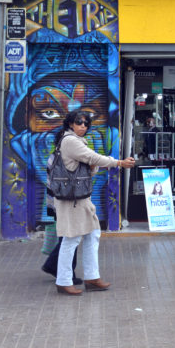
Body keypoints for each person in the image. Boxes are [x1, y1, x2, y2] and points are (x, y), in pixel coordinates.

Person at [52, 110, 135, 295]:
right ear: (70, 124)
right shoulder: (70, 141)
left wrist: (95, 165)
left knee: (93, 233)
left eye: (86, 123)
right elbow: (93, 158)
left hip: (80, 197)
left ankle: (92, 277)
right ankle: (63, 281)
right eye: (79, 122)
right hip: (72, 199)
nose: (83, 126)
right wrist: (119, 162)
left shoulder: (76, 141)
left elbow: (90, 167)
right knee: (71, 238)